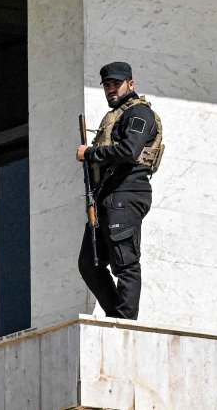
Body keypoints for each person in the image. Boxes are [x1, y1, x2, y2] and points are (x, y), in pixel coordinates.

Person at [74, 61, 162, 320]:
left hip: (126, 192)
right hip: (108, 196)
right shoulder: (119, 114)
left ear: (130, 84)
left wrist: (90, 153)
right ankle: (117, 318)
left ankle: (126, 323)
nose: (111, 89)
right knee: (89, 264)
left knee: (125, 263)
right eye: (107, 85)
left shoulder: (138, 113)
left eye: (117, 84)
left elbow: (128, 151)